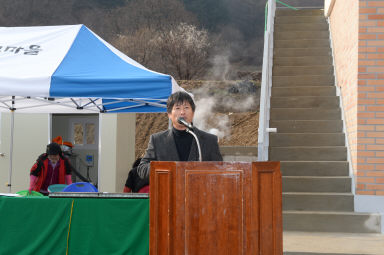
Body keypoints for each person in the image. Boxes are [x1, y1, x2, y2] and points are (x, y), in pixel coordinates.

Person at [137, 91, 223, 180]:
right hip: (168, 192)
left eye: (186, 107)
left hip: (199, 192)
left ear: (193, 113)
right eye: (177, 108)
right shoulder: (157, 140)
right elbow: (142, 169)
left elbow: (220, 170)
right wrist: (163, 168)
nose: (182, 112)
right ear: (169, 114)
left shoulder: (209, 140)